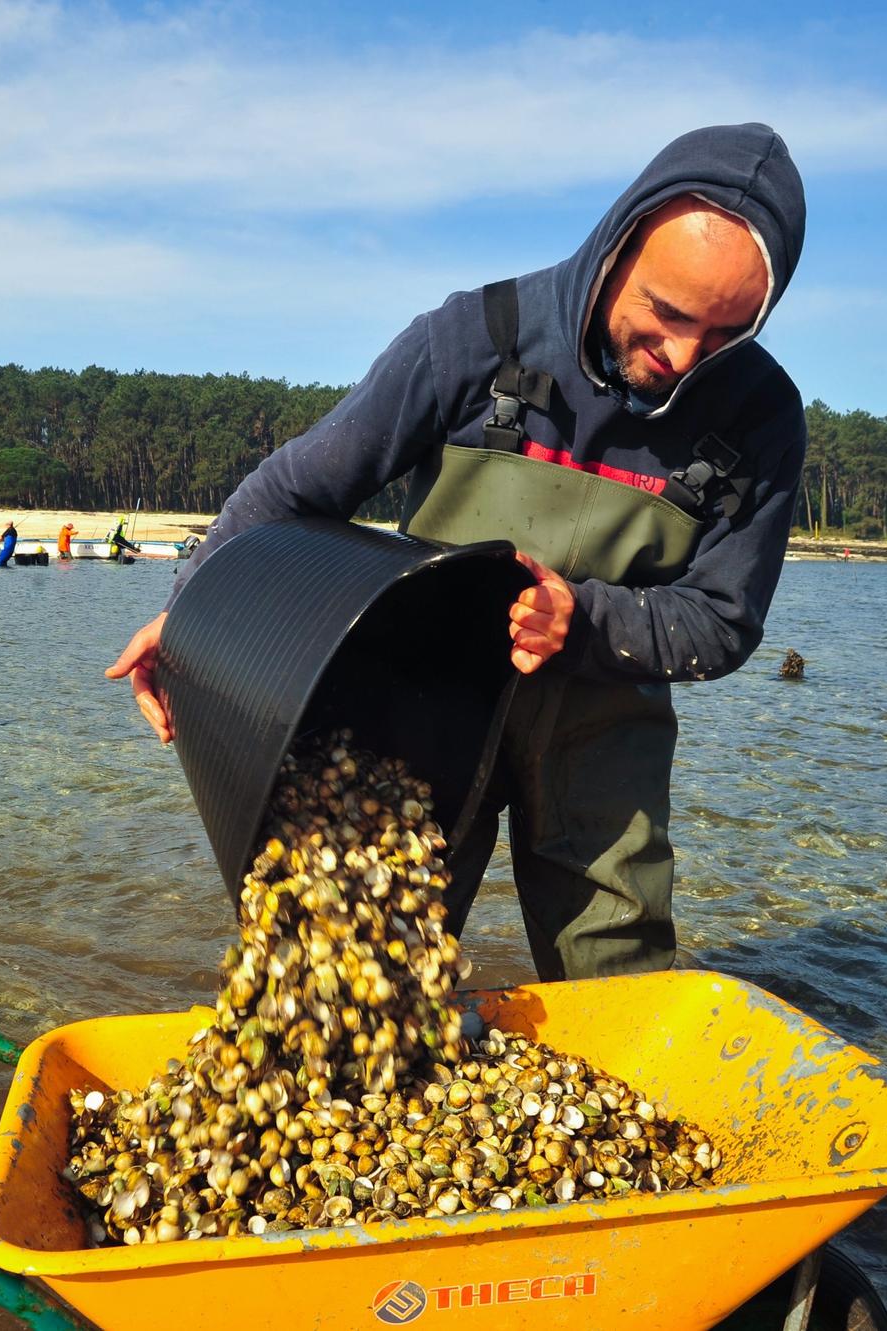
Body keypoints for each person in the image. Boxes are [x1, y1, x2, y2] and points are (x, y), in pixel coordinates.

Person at [107, 123, 807, 982]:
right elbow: (292, 493)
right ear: (619, 243)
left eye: (726, 333)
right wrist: (193, 613)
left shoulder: (762, 416)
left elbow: (722, 621)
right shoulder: (474, 338)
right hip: (420, 700)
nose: (683, 357)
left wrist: (583, 620)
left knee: (616, 977)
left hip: (602, 721)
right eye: (667, 314)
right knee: (360, 963)